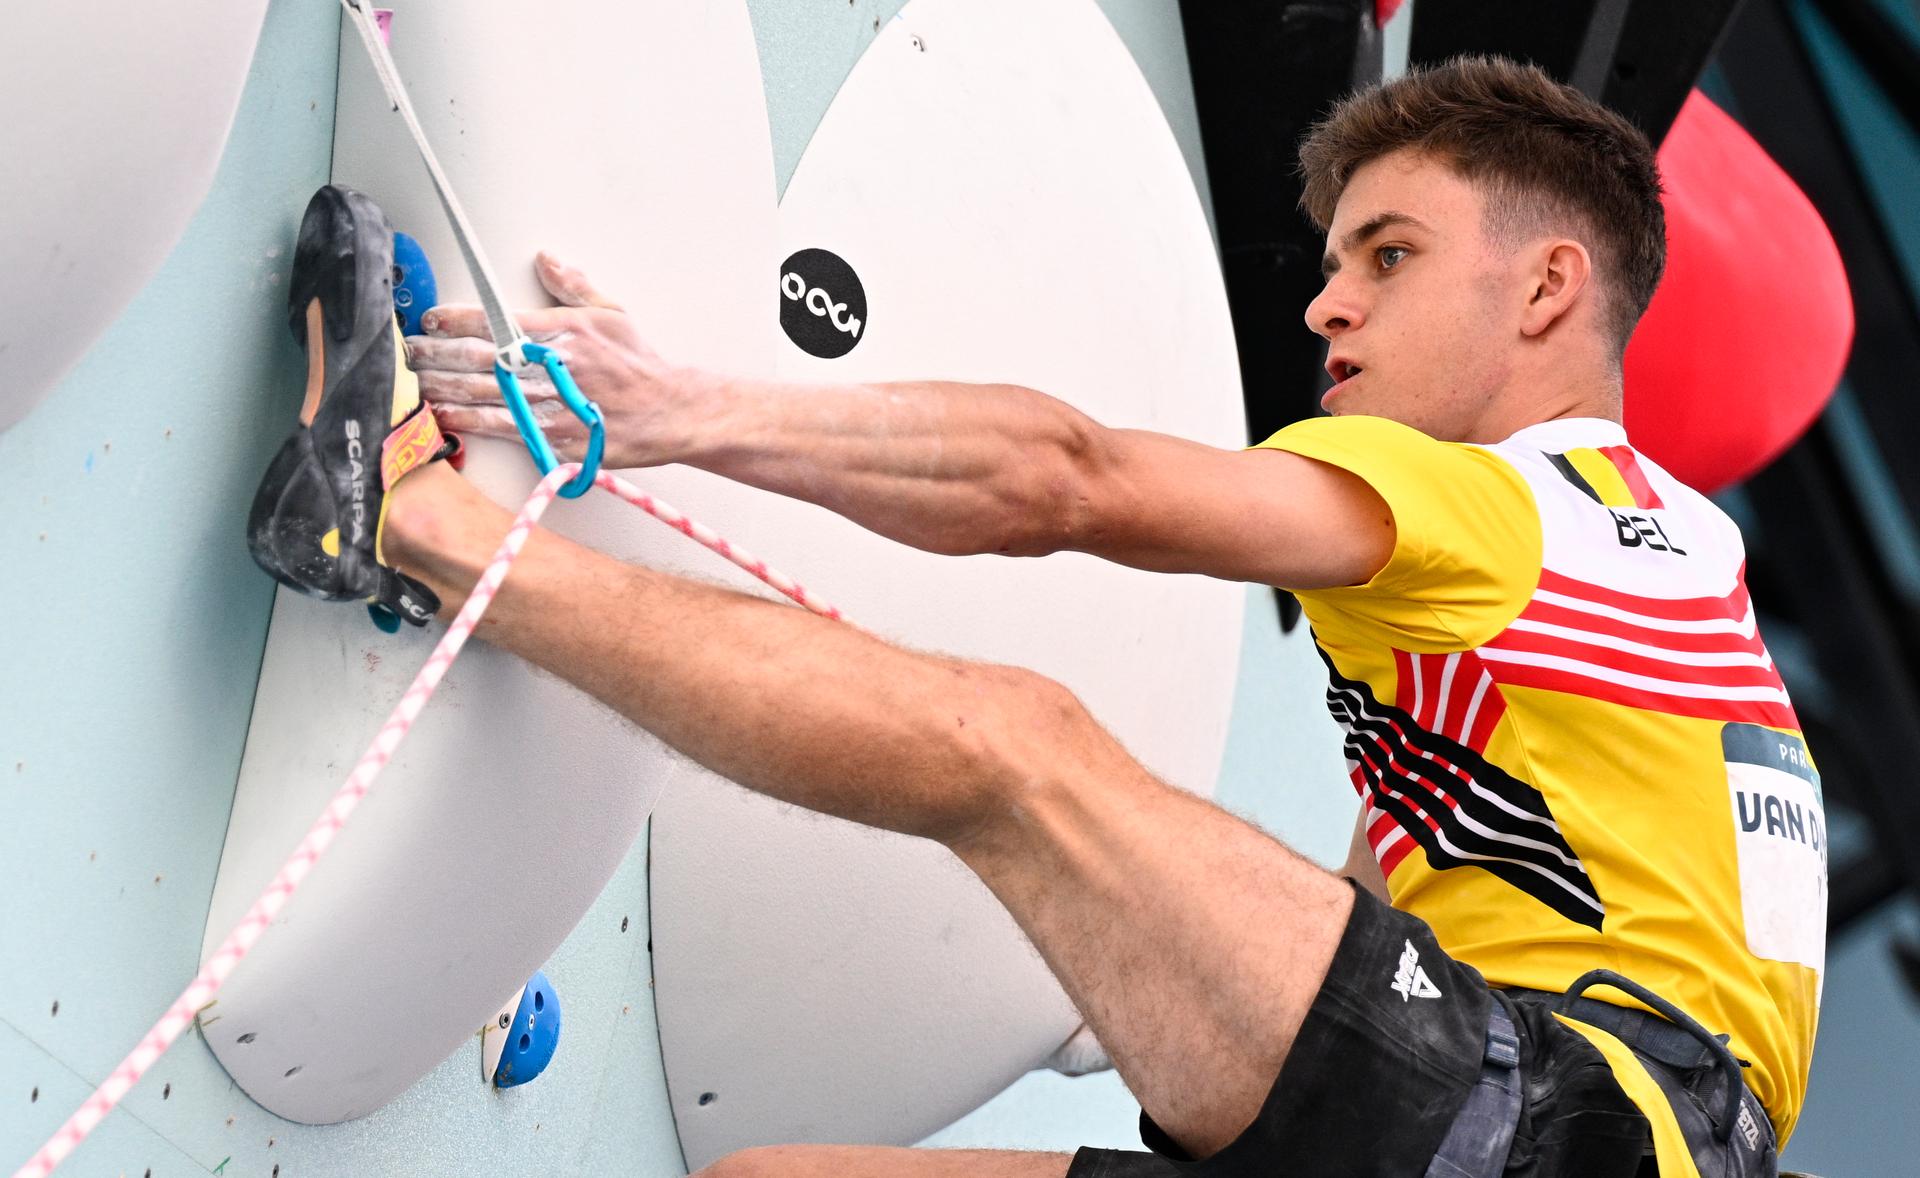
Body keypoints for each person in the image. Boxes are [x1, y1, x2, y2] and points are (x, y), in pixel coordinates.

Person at [249, 57, 1820, 1176]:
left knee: (1020, 748)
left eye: (1388, 259)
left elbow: (1066, 478)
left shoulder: (1504, 504)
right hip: (1545, 1109)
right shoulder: (1682, 575)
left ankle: (410, 516)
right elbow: (1424, 879)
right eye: (1335, 264)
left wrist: (685, 412)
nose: (1325, 306)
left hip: (1546, 1129)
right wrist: (1155, 954)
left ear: (1547, 293)